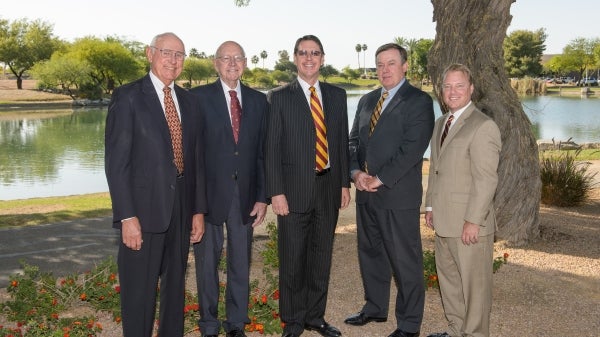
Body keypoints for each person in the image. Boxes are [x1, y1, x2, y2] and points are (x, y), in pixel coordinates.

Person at [104, 32, 206, 337]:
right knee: (139, 294)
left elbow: (197, 160)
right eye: (166, 52)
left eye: (179, 55)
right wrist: (126, 216)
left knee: (174, 290)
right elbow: (116, 164)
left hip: (181, 210)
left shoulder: (189, 101)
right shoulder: (128, 97)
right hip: (142, 214)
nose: (173, 61)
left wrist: (198, 211)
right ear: (150, 54)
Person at [345, 43, 434, 337]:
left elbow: (413, 149)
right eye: (380, 64)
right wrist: (356, 173)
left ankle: (409, 325)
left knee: (404, 260)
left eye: (391, 63)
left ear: (405, 66)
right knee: (370, 252)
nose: (385, 70)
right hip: (365, 192)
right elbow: (353, 141)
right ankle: (374, 308)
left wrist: (379, 178)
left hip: (396, 194)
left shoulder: (419, 101)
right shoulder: (368, 100)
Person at [265, 34, 351, 337]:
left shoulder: (337, 96)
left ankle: (315, 317)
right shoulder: (278, 97)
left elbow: (340, 143)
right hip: (292, 192)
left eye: (315, 53)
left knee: (321, 257)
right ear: (295, 58)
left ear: (323, 58)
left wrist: (343, 184)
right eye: (303, 53)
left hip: (328, 188)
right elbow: (271, 149)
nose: (309, 58)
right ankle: (292, 320)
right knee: (292, 260)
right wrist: (276, 191)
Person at [190, 41, 268, 337]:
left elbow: (263, 153)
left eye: (237, 58)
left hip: (246, 196)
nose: (232, 63)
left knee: (241, 263)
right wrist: (194, 203)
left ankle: (236, 323)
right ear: (215, 63)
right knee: (206, 264)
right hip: (207, 197)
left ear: (245, 63)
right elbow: (192, 153)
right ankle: (209, 325)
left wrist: (262, 197)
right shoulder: (196, 99)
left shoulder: (260, 101)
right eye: (226, 58)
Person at [424, 63, 501, 337]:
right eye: (447, 86)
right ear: (441, 90)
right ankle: (456, 329)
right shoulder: (440, 123)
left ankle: (475, 334)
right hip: (444, 220)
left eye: (459, 86)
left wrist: (473, 221)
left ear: (471, 89)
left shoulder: (483, 126)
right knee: (450, 282)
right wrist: (430, 205)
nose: (452, 91)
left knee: (475, 289)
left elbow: (486, 180)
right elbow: (436, 168)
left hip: (469, 225)